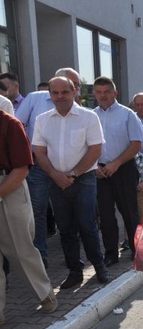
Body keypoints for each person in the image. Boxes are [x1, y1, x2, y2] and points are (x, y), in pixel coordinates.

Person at [32, 77, 110, 289]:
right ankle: (75, 271)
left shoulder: (88, 117)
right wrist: (55, 175)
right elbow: (39, 152)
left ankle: (99, 266)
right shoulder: (42, 119)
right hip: (55, 180)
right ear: (50, 95)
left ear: (74, 91)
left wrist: (73, 174)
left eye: (64, 92)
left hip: (83, 179)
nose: (60, 97)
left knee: (87, 224)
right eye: (55, 93)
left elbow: (95, 150)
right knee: (65, 229)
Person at [15, 67, 82, 266]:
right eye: (73, 83)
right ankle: (40, 255)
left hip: (69, 168)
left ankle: (72, 252)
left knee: (71, 211)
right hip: (38, 166)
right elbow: (17, 126)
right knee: (38, 210)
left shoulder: (77, 107)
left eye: (75, 86)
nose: (73, 89)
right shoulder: (35, 99)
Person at [0, 108, 57, 326]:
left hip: (10, 187)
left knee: (20, 249)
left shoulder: (10, 124)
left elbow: (21, 169)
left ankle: (45, 294)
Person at [92, 76, 143, 266]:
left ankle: (136, 249)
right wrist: (95, 165)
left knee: (129, 212)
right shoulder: (91, 116)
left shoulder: (128, 114)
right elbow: (86, 146)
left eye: (107, 92)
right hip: (99, 171)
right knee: (105, 216)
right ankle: (111, 253)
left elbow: (137, 144)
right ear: (94, 94)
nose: (103, 95)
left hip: (123, 168)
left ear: (115, 93)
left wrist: (116, 163)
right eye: (99, 92)